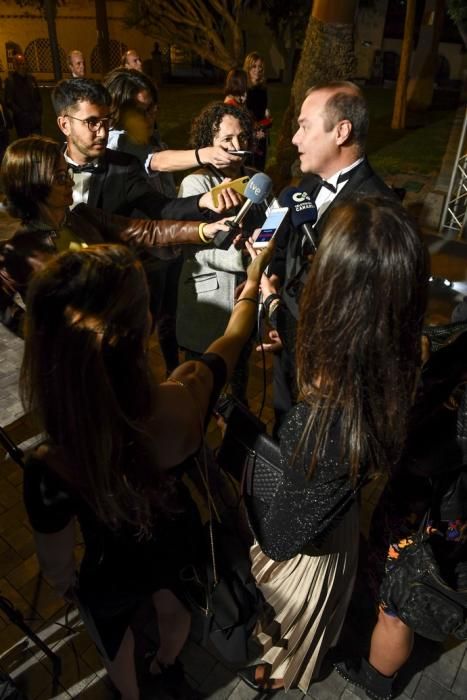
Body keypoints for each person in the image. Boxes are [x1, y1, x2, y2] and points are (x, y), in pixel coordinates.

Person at [21, 239, 273, 700]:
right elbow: (232, 341)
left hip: (107, 566)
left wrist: (67, 588)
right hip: (175, 539)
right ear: (147, 327)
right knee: (175, 609)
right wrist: (252, 283)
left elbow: (56, 562)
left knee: (114, 635)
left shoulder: (51, 464)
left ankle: (131, 693)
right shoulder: (184, 398)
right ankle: (165, 665)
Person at [237, 197, 429, 694]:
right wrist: (275, 305)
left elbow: (280, 540)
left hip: (309, 555)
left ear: (334, 296)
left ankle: (284, 674)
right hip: (337, 521)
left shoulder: (325, 425)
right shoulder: (399, 358)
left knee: (289, 638)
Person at [0, 136, 231, 336]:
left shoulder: (83, 217)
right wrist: (37, 334)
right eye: (60, 177)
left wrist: (203, 230)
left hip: (115, 341)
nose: (71, 181)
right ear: (32, 187)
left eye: (68, 172)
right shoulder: (22, 248)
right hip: (72, 367)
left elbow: (145, 231)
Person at [266, 81, 396, 429]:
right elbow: (289, 253)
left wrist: (280, 313)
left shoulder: (377, 213)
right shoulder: (304, 187)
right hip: (286, 351)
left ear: (341, 131)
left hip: (329, 379)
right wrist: (275, 279)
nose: (295, 138)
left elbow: (359, 313)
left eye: (304, 126)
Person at [51, 78, 240, 219]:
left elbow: (162, 207)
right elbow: (156, 161)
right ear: (64, 125)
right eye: (91, 122)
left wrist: (202, 201)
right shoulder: (42, 167)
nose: (102, 133)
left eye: (105, 121)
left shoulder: (124, 167)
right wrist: (206, 154)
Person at [177, 101, 262, 402]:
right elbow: (195, 248)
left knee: (237, 393)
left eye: (241, 138)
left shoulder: (256, 180)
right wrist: (247, 259)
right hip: (208, 306)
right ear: (208, 144)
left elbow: (268, 231)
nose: (236, 147)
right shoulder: (195, 183)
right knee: (198, 395)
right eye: (226, 140)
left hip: (245, 302)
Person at [104, 68, 243, 188]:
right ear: (118, 111)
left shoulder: (154, 141)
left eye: (152, 107)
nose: (150, 116)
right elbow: (157, 161)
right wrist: (206, 154)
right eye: (141, 111)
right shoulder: (116, 141)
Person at [243, 51, 270, 170]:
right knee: (248, 166)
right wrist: (254, 131)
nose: (257, 70)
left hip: (261, 132)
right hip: (248, 133)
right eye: (254, 66)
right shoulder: (243, 89)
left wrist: (267, 119)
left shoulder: (262, 88)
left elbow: (262, 110)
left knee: (260, 165)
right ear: (248, 68)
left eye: (260, 67)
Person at [4, 53, 42, 137]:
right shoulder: (11, 81)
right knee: (25, 145)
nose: (24, 66)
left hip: (35, 119)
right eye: (21, 64)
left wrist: (38, 113)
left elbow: (38, 97)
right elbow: (9, 101)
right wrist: (21, 114)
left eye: (25, 63)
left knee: (38, 144)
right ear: (16, 66)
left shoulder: (31, 79)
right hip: (22, 122)